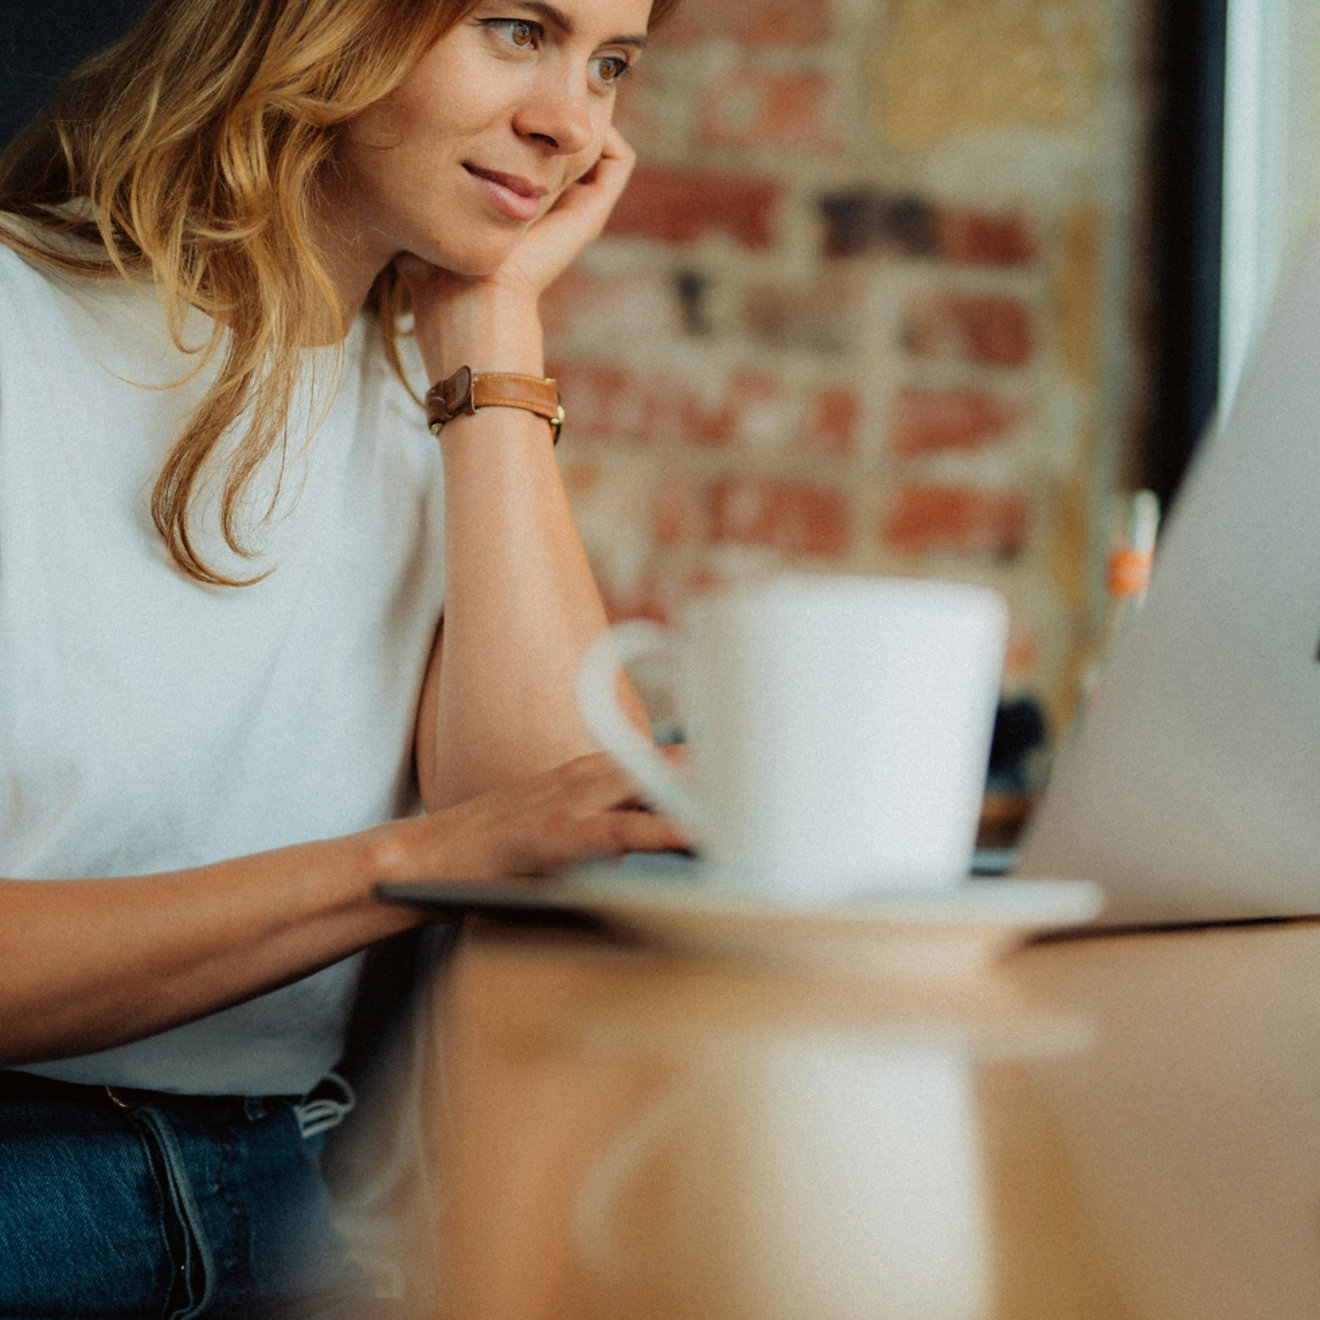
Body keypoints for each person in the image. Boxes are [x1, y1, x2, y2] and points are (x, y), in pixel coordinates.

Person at [0, 0, 685, 1313]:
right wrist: (407, 863)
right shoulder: (20, 321)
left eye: (609, 65)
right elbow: (480, 842)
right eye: (516, 29)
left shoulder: (438, 413)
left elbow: (557, 840)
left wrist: (493, 337)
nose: (573, 121)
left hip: (280, 1186)